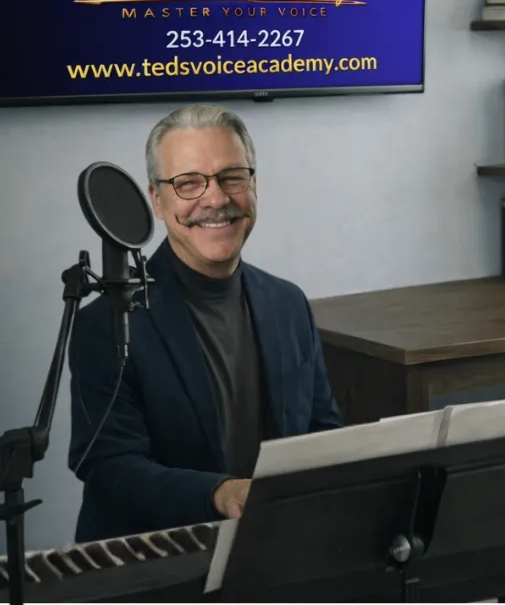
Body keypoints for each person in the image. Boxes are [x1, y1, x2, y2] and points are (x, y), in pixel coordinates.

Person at [67, 103, 342, 542]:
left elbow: (323, 434)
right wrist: (219, 493)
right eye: (188, 183)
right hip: (158, 566)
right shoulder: (106, 323)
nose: (215, 199)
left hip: (271, 554)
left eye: (232, 177)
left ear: (253, 186)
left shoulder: (289, 303)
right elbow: (107, 466)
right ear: (156, 200)